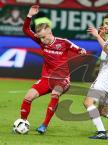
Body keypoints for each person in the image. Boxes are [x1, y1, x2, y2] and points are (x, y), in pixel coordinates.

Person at [19, 5, 86, 134]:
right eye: (41, 38)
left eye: (44, 37)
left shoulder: (63, 42)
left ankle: (44, 125)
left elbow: (77, 48)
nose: (43, 41)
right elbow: (26, 29)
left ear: (50, 32)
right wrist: (29, 16)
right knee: (28, 97)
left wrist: (81, 51)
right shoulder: (40, 41)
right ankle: (23, 123)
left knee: (55, 94)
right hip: (46, 77)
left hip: (62, 79)